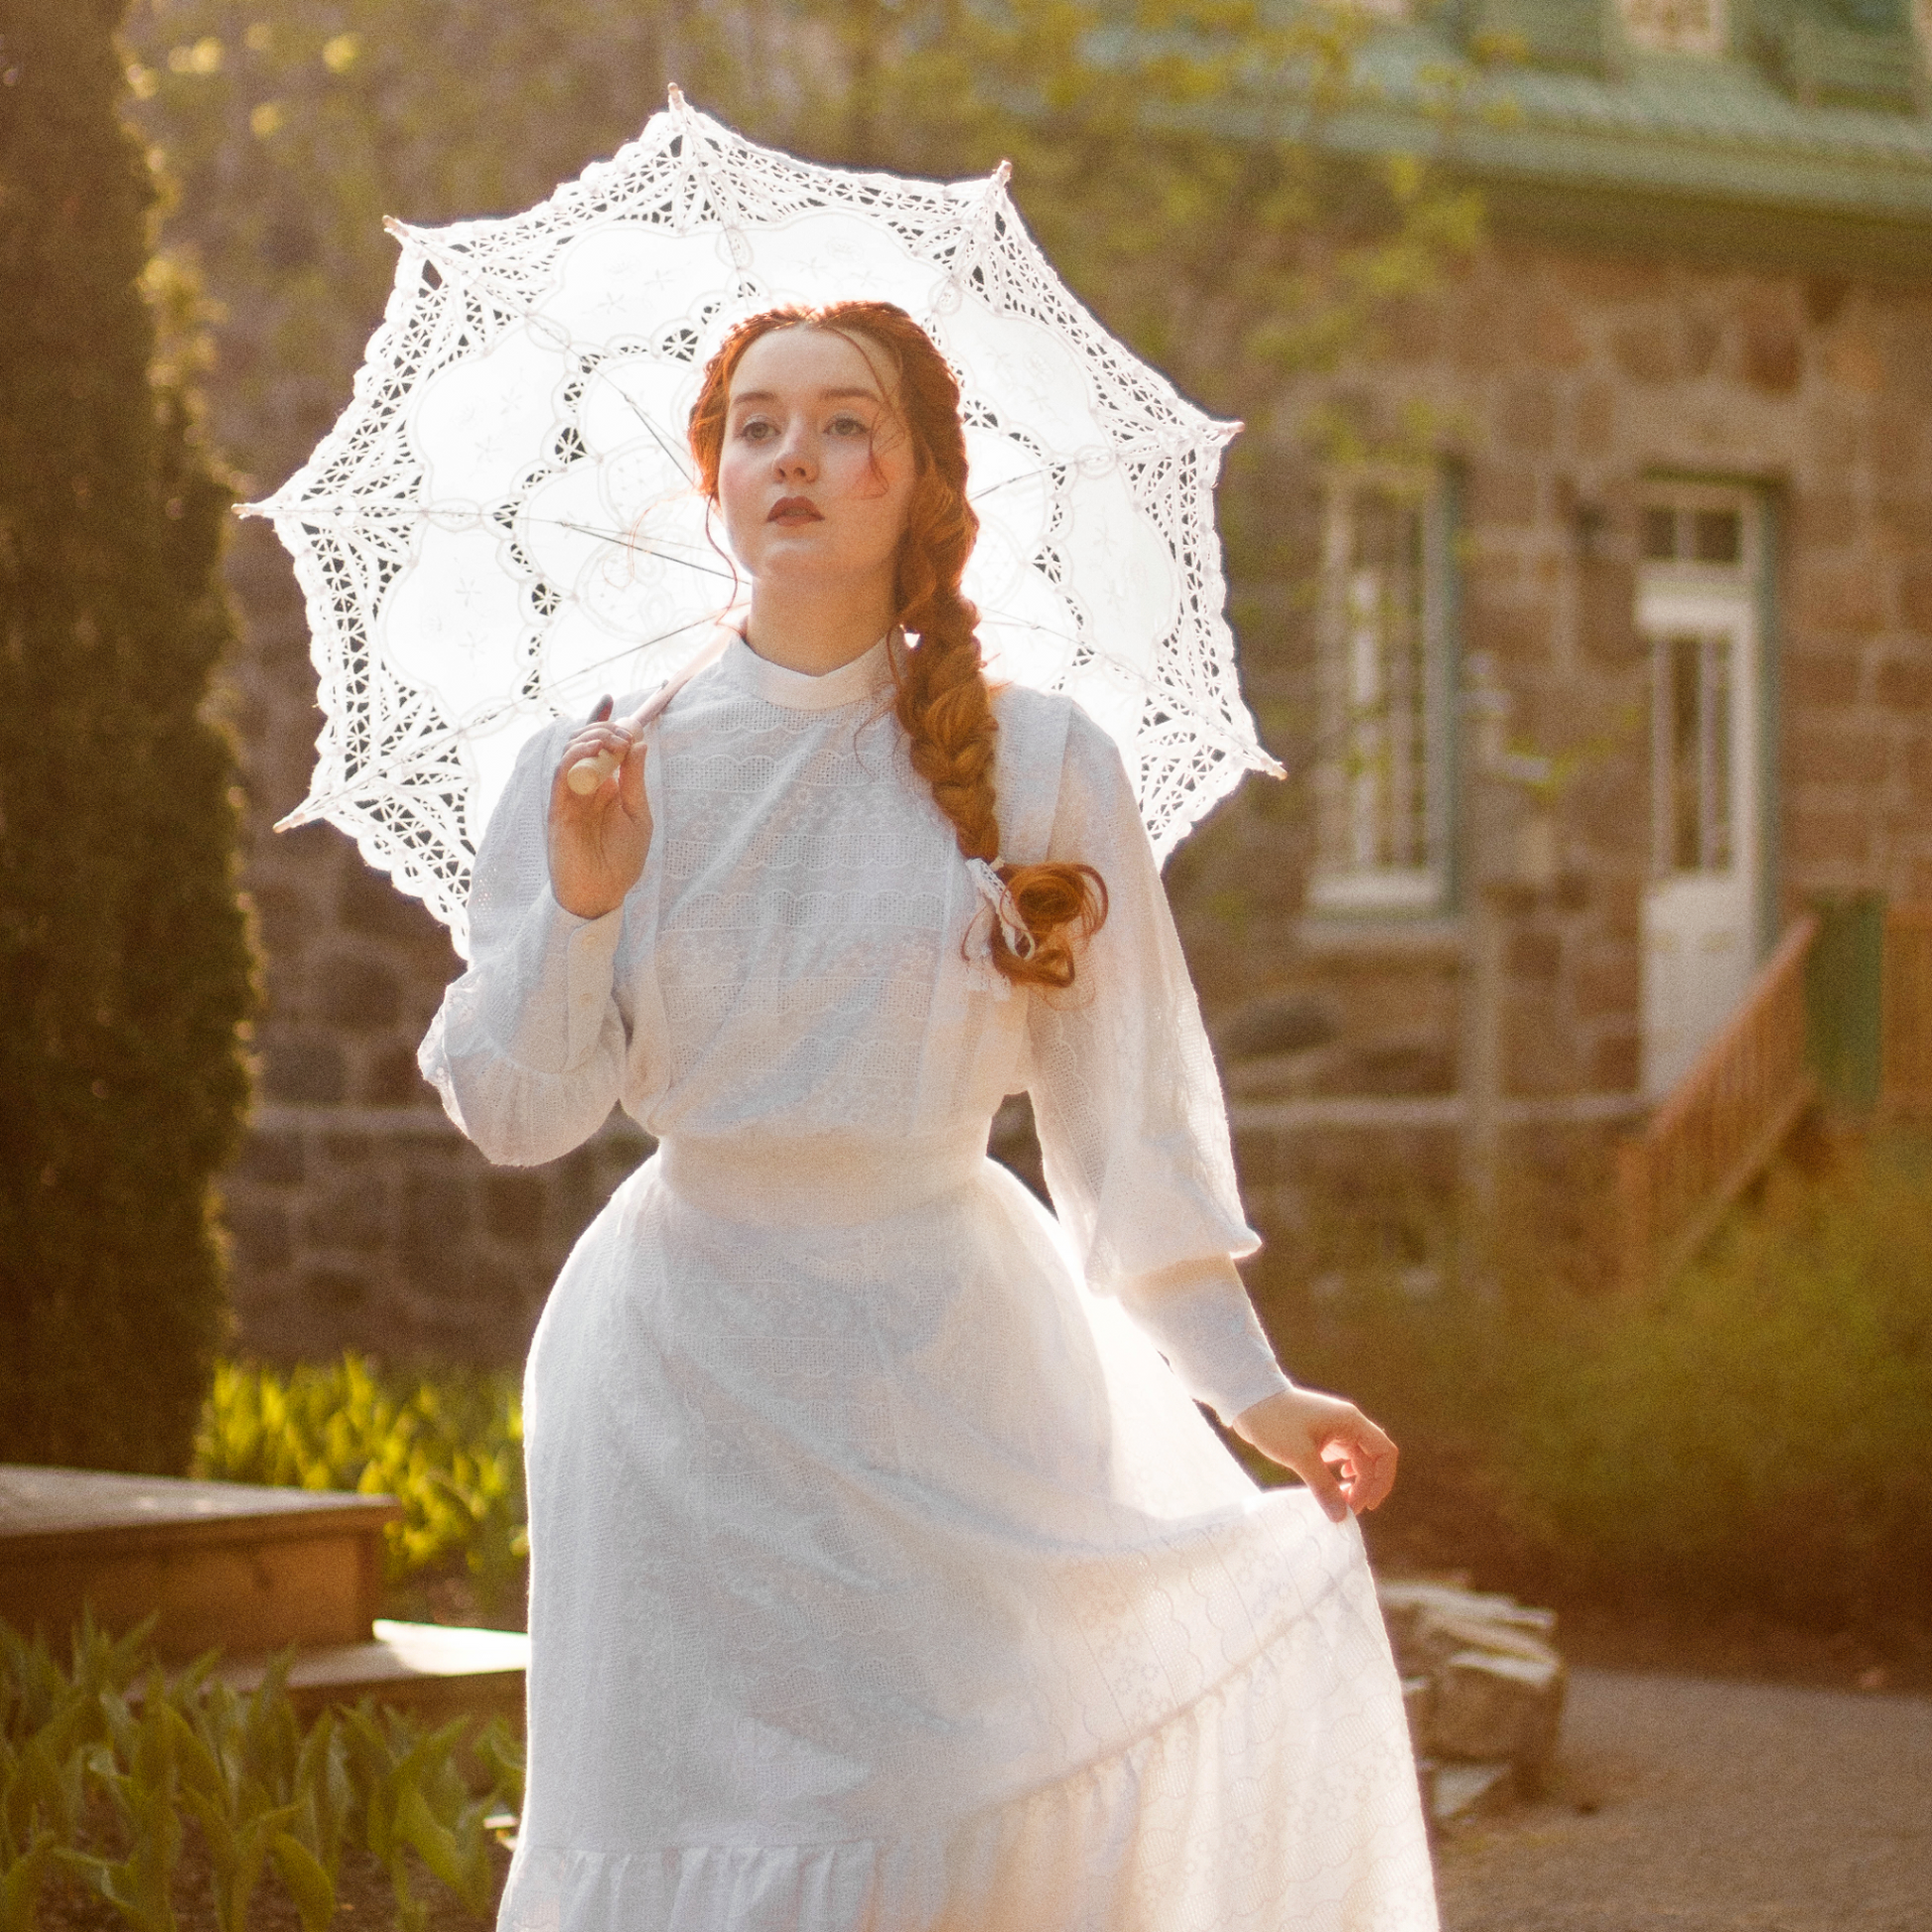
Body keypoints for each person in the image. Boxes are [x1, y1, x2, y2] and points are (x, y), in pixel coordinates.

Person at [420, 299, 1438, 1932]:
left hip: (941, 1371)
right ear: (712, 481)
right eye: (755, 425)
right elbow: (516, 1115)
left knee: (930, 1816)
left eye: (842, 423)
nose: (793, 457)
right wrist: (587, 903)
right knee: (708, 1846)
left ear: (920, 480)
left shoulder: (1037, 759)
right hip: (677, 1386)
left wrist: (1249, 1388)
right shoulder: (598, 769)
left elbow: (1125, 1125)